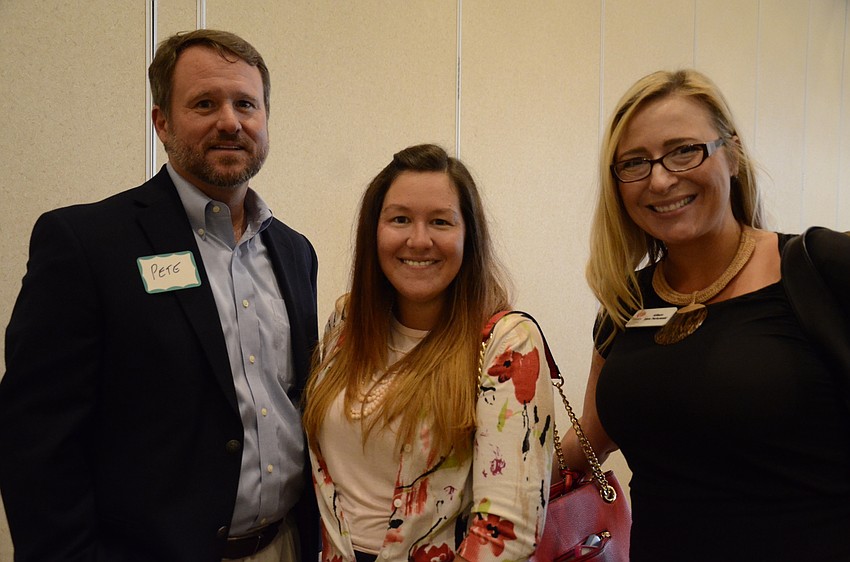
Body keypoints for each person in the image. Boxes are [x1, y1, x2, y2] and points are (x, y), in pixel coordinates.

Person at [0, 29, 319, 561]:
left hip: (286, 545)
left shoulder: (293, 251)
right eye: (204, 103)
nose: (230, 121)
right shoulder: (87, 244)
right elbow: (36, 442)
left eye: (246, 104)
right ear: (162, 123)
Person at [562, 68, 850, 560]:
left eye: (683, 150)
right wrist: (483, 475)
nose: (660, 178)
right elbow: (594, 434)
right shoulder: (626, 302)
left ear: (732, 154)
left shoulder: (822, 268)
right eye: (634, 162)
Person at [302, 144, 554, 562]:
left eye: (440, 222)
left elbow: (507, 535)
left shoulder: (507, 343)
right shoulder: (346, 325)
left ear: (467, 236)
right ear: (374, 231)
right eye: (400, 219)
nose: (419, 241)